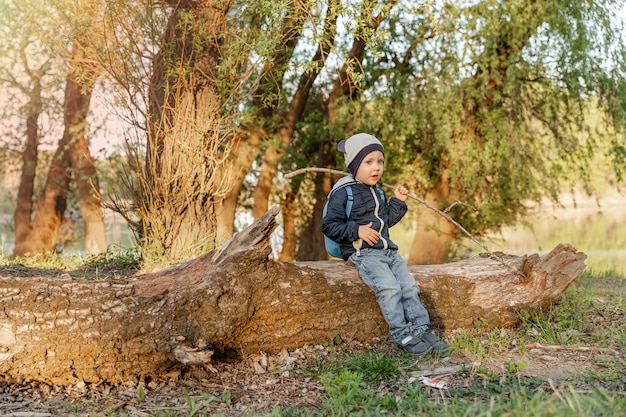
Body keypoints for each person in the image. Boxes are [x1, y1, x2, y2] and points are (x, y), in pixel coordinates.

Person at [321, 133, 449, 356]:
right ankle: (401, 333)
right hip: (365, 253)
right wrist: (357, 230)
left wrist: (397, 202)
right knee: (389, 288)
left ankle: (422, 328)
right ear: (353, 165)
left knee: (409, 286)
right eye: (368, 162)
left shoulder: (378, 191)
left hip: (388, 250)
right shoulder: (343, 192)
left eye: (380, 161)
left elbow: (386, 221)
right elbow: (329, 225)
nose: (376, 167)